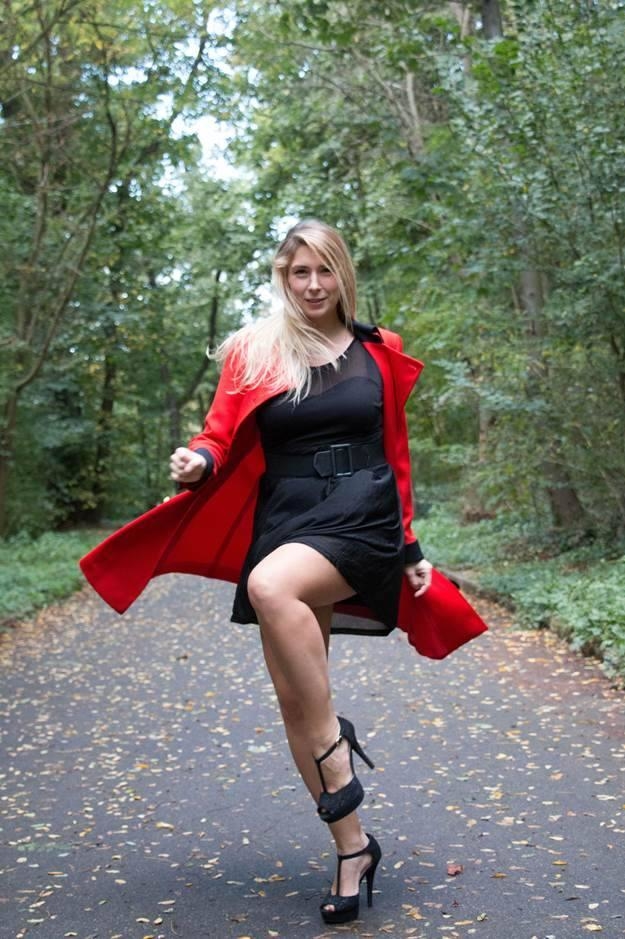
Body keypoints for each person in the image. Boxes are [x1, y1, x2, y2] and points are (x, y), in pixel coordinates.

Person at [80, 219, 487, 925]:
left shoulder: (378, 348)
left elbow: (395, 451)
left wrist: (411, 545)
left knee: (271, 585)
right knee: (293, 704)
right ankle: (353, 849)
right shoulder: (257, 349)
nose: (314, 284)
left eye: (325, 270)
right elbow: (217, 433)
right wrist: (197, 462)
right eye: (300, 272)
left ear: (343, 274)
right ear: (282, 276)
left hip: (362, 514)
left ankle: (336, 747)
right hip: (288, 516)